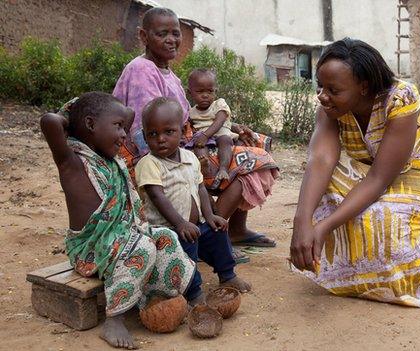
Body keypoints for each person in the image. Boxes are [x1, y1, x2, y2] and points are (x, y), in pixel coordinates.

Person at [290, 38, 420, 307]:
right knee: (323, 192)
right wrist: (302, 222)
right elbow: (320, 160)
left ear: (364, 87)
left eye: (333, 89)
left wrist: (324, 227)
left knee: (380, 216)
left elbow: (378, 179)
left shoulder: (400, 99)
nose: (323, 96)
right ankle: (358, 278)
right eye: (320, 86)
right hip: (375, 176)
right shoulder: (330, 109)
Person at [113, 7, 278, 261]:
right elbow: (146, 134)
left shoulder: (169, 74)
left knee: (255, 143)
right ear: (144, 36)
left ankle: (235, 229)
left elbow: (190, 119)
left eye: (175, 33)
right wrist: (186, 158)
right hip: (161, 156)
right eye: (162, 34)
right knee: (254, 163)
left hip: (182, 143)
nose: (171, 40)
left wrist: (233, 128)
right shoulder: (141, 71)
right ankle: (210, 238)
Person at [41, 92, 195, 349]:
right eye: (117, 127)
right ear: (90, 125)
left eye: (124, 128)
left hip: (123, 240)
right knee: (142, 246)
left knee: (165, 237)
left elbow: (128, 114)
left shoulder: (111, 161)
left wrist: (110, 123)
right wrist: (76, 113)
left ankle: (157, 300)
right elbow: (49, 121)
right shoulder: (72, 162)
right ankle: (114, 318)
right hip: (90, 250)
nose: (125, 134)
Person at [135, 97, 251, 305]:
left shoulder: (190, 158)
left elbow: (200, 189)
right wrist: (180, 224)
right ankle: (194, 292)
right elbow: (157, 196)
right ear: (144, 136)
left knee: (218, 232)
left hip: (195, 225)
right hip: (167, 231)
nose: (161, 139)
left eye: (168, 132)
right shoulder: (149, 164)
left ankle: (227, 275)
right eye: (153, 134)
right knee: (187, 253)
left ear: (182, 131)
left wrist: (210, 216)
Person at [187, 68, 237, 187]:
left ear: (215, 91)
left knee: (225, 140)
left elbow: (220, 121)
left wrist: (205, 135)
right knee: (198, 144)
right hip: (203, 137)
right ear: (190, 93)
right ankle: (205, 165)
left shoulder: (219, 104)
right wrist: (201, 137)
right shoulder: (190, 112)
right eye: (200, 92)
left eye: (210, 91)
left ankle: (223, 168)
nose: (205, 96)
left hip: (220, 133)